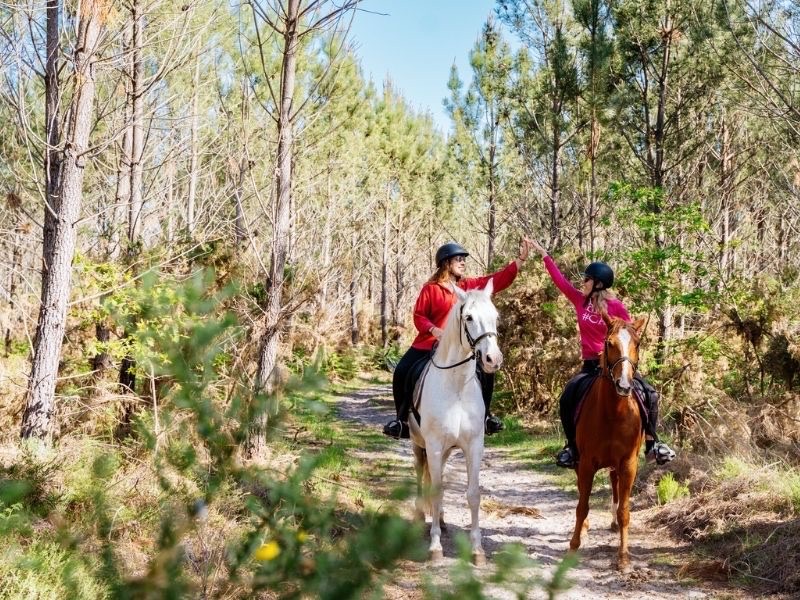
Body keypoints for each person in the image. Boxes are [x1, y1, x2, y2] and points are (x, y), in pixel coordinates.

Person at [528, 239, 677, 467]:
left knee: (651, 394)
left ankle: (652, 444)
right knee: (568, 395)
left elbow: (628, 336)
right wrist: (544, 255)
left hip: (616, 365)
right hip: (591, 366)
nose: (583, 282)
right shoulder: (580, 300)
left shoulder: (616, 307)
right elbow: (560, 282)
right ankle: (572, 447)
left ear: (598, 283)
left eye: (587, 279)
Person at [382, 239, 533, 439]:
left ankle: (486, 417)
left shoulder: (470, 286)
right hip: (429, 344)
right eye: (459, 259)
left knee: (487, 371)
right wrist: (433, 330)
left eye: (464, 259)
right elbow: (419, 316)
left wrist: (520, 260)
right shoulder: (431, 289)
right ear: (446, 263)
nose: (463, 262)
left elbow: (497, 280)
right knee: (402, 371)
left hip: (461, 347)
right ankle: (401, 421)